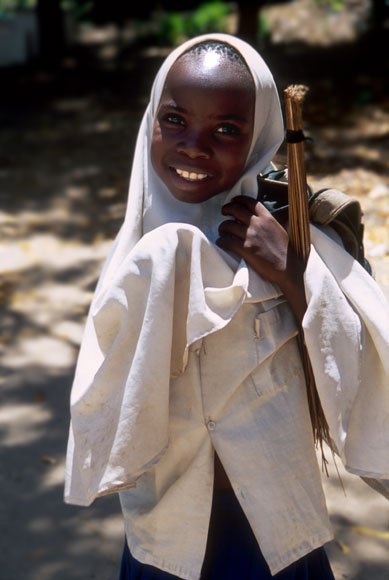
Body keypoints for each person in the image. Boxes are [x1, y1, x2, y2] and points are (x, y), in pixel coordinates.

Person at [64, 34, 389, 580]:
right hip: (166, 535)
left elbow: (366, 352)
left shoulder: (297, 240)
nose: (194, 145)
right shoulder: (140, 249)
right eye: (175, 119)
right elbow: (106, 399)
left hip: (273, 533)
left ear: (260, 137)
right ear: (152, 122)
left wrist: (292, 272)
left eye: (227, 130)